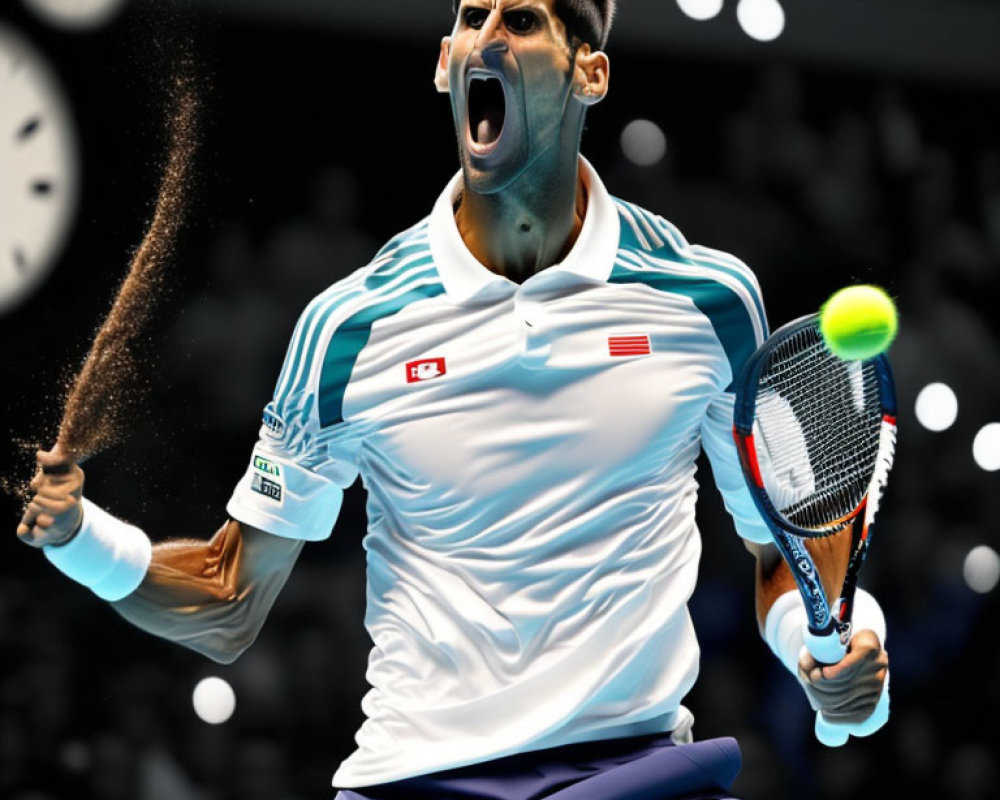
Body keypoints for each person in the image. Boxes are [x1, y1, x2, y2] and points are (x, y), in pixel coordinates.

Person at [17, 2, 890, 798]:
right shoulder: (348, 329)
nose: (490, 38)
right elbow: (228, 599)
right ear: (445, 62)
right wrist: (79, 538)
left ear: (590, 70)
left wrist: (838, 661)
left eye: (523, 19)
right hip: (418, 781)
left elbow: (785, 547)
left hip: (635, 771)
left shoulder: (708, 303)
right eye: (473, 18)